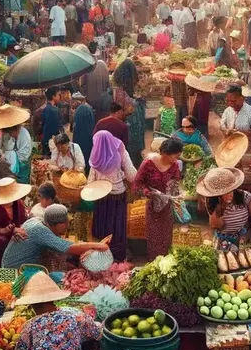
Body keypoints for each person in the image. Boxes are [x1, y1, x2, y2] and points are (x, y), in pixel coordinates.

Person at [12, 272, 101, 350]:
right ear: (54, 299)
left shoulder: (29, 328)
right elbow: (97, 333)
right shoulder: (76, 316)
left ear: (32, 305)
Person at [1, 204, 109, 279]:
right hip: (14, 272)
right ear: (55, 224)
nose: (67, 226)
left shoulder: (37, 221)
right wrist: (99, 245)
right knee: (60, 279)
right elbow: (70, 248)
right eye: (65, 223)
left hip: (9, 266)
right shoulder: (40, 230)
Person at [87, 131, 136, 262]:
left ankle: (102, 256)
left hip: (101, 198)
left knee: (102, 224)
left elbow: (90, 182)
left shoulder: (96, 155)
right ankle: (118, 256)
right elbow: (132, 176)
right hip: (118, 197)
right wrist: (121, 175)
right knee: (117, 225)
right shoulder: (121, 152)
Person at [133, 137, 183, 259]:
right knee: (154, 236)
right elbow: (137, 184)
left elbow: (175, 185)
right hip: (152, 206)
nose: (176, 159)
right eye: (175, 156)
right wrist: (148, 192)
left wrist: (176, 199)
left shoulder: (175, 165)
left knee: (166, 236)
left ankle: (165, 261)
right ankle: (153, 260)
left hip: (166, 207)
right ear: (165, 153)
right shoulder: (148, 163)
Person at [198, 167, 251, 249]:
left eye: (231, 191)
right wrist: (219, 211)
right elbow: (215, 226)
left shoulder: (244, 196)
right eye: (224, 193)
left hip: (242, 236)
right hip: (222, 238)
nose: (229, 195)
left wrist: (247, 236)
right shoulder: (212, 201)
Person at [0, 177, 31, 268]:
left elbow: (22, 221)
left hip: (14, 243)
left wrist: (17, 231)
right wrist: (4, 230)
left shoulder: (19, 204)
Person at [0, 104, 33, 182]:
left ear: (17, 129)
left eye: (12, 132)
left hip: (21, 169)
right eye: (9, 132)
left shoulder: (24, 135)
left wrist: (7, 156)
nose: (11, 135)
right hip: (7, 168)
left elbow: (23, 157)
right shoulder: (5, 134)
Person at [79, 49, 110, 122]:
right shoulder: (103, 64)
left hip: (91, 100)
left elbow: (82, 85)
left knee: (94, 120)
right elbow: (108, 83)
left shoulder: (86, 67)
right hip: (103, 99)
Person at [71, 99, 95, 172]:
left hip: (78, 138)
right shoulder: (88, 110)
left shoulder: (78, 111)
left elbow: (73, 127)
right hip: (88, 138)